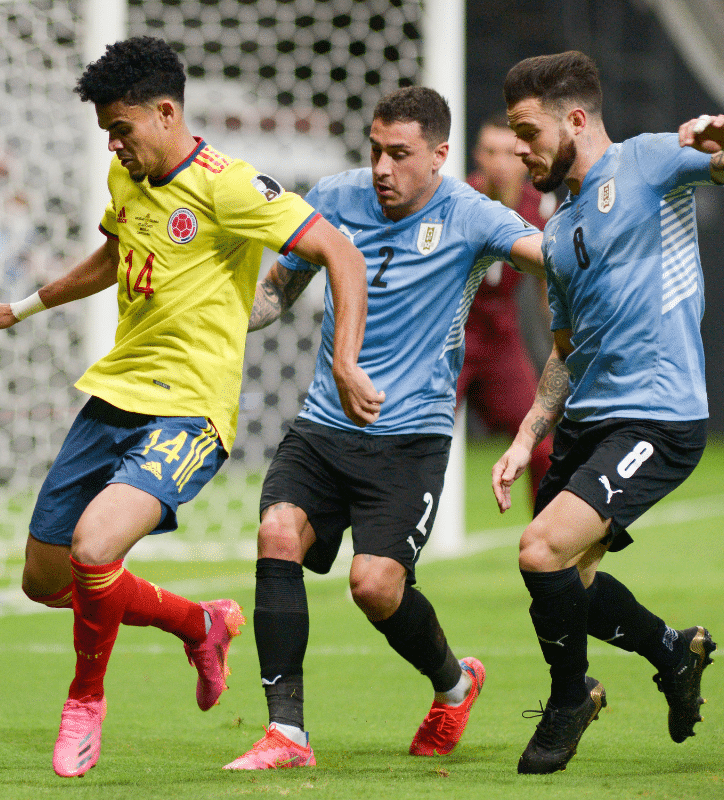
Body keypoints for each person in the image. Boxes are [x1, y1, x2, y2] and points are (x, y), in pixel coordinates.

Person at [0, 36, 380, 778]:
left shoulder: (231, 185)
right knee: (45, 579)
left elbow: (339, 253)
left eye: (122, 130)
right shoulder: (130, 179)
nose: (115, 147)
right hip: (113, 396)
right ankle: (199, 622)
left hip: (190, 413)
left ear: (166, 112)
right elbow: (114, 256)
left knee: (94, 548)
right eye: (107, 135)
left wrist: (344, 359)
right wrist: (20, 308)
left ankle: (85, 702)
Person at [223, 87, 545, 770]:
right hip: (322, 425)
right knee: (277, 530)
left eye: (399, 154)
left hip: (410, 437)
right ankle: (288, 734)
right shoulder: (336, 199)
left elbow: (550, 256)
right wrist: (217, 319)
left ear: (439, 155)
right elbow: (280, 289)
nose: (381, 167)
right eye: (375, 149)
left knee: (373, 585)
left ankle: (455, 683)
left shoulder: (471, 214)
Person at [493, 50, 724, 775]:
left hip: (658, 416)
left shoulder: (649, 162)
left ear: (576, 120)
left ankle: (569, 699)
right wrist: (529, 433)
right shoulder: (557, 231)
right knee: (568, 586)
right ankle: (672, 651)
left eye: (526, 132)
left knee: (539, 550)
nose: (518, 150)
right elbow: (565, 349)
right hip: (587, 420)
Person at [459, 114, 555, 508]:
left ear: (522, 157)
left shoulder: (541, 209)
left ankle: (548, 546)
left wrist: (565, 346)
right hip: (453, 338)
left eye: (507, 152)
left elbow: (547, 290)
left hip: (500, 339)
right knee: (416, 442)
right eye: (489, 151)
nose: (498, 161)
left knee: (542, 446)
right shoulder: (458, 202)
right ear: (476, 156)